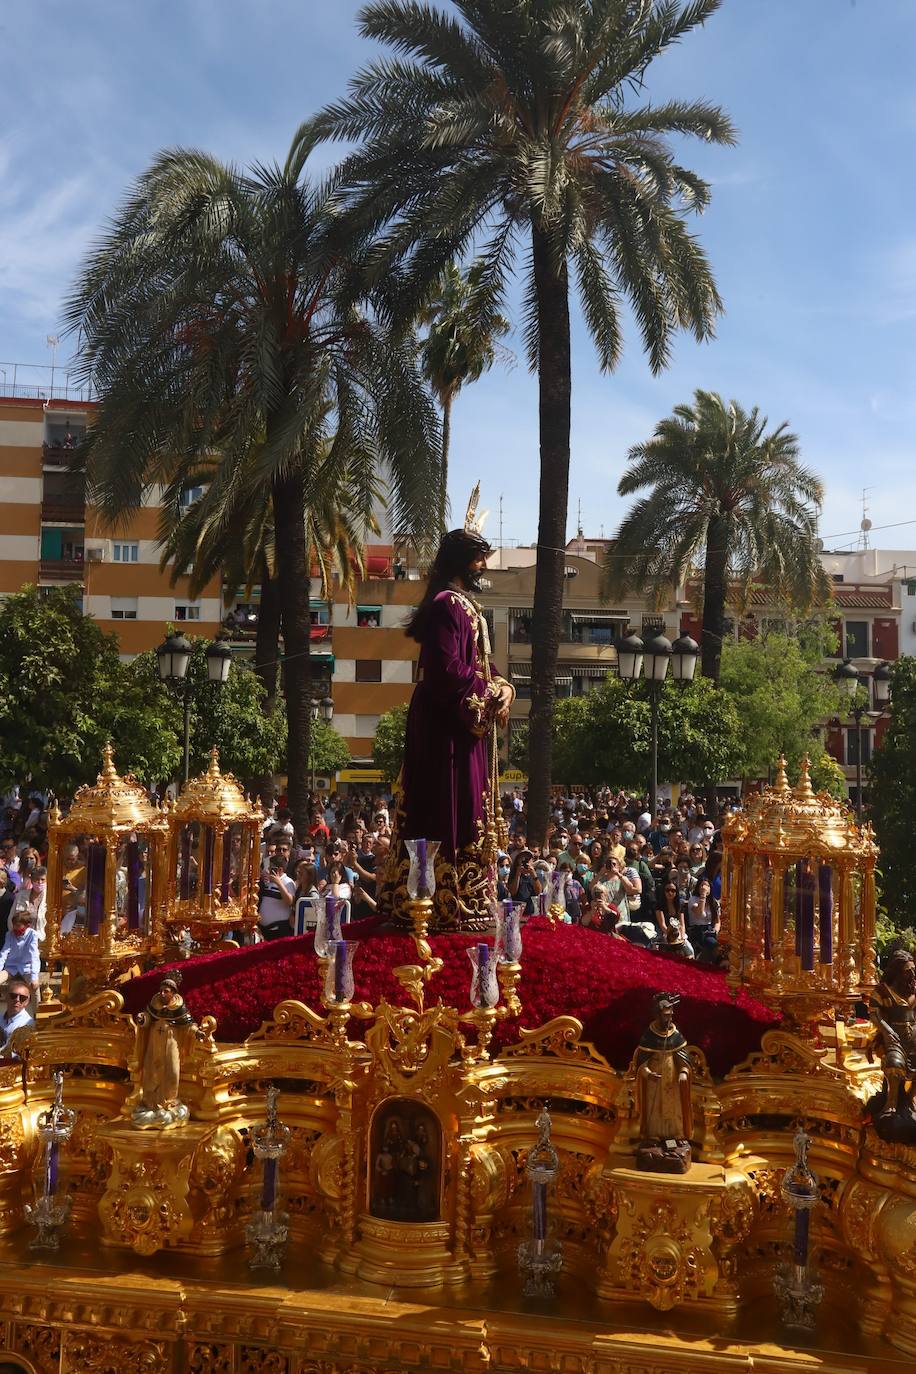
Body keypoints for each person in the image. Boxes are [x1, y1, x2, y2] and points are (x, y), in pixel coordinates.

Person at [383, 500, 514, 929]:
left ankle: (465, 895)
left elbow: (479, 662)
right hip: (446, 724)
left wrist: (504, 685)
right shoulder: (446, 605)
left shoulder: (463, 605)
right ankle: (441, 899)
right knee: (445, 804)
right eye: (478, 559)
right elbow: (445, 670)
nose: (482, 566)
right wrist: (486, 694)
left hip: (459, 724)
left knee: (467, 804)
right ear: (461, 561)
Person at [0, 908, 40, 993]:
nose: (15, 928)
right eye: (14, 925)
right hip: (11, 968)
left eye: (18, 925)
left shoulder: (33, 935)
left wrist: (34, 977)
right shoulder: (9, 934)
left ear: (27, 925)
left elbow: (34, 956)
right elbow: (3, 953)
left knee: (35, 987)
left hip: (26, 969)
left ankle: (37, 1006)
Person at [258, 855, 296, 940]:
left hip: (279, 930)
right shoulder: (268, 882)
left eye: (272, 868)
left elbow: (289, 902)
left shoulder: (288, 882)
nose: (269, 870)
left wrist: (279, 883)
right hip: (265, 931)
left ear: (280, 869)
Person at [0, 976, 34, 1054]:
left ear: (27, 1002)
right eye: (13, 996)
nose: (17, 1000)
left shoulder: (28, 1024)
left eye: (22, 998)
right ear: (6, 996)